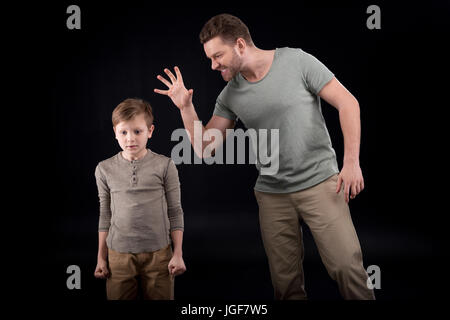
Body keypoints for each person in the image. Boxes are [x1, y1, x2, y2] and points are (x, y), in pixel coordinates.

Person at [154, 13, 375, 300]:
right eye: (209, 58)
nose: (213, 65)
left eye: (218, 56)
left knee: (348, 268)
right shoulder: (230, 95)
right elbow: (205, 147)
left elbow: (348, 103)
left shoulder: (297, 61)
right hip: (273, 197)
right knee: (285, 285)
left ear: (241, 45)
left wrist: (351, 163)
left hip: (321, 185)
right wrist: (185, 108)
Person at [93, 98, 186, 300]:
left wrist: (177, 253)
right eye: (123, 132)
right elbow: (105, 214)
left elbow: (175, 211)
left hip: (159, 254)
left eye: (137, 131)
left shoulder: (165, 165)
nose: (130, 139)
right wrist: (101, 258)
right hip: (119, 255)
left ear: (150, 131)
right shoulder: (104, 169)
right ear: (115, 133)